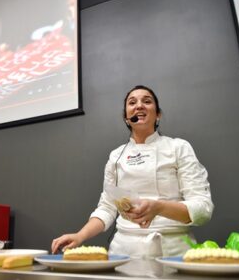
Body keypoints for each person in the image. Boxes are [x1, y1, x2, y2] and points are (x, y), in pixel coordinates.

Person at [51, 85, 214, 259]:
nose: (139, 106)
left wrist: (158, 207)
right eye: (132, 102)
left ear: (158, 114)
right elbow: (107, 208)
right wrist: (79, 236)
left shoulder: (179, 147)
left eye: (147, 101)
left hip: (173, 251)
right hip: (124, 252)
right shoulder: (115, 156)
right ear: (127, 118)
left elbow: (203, 209)